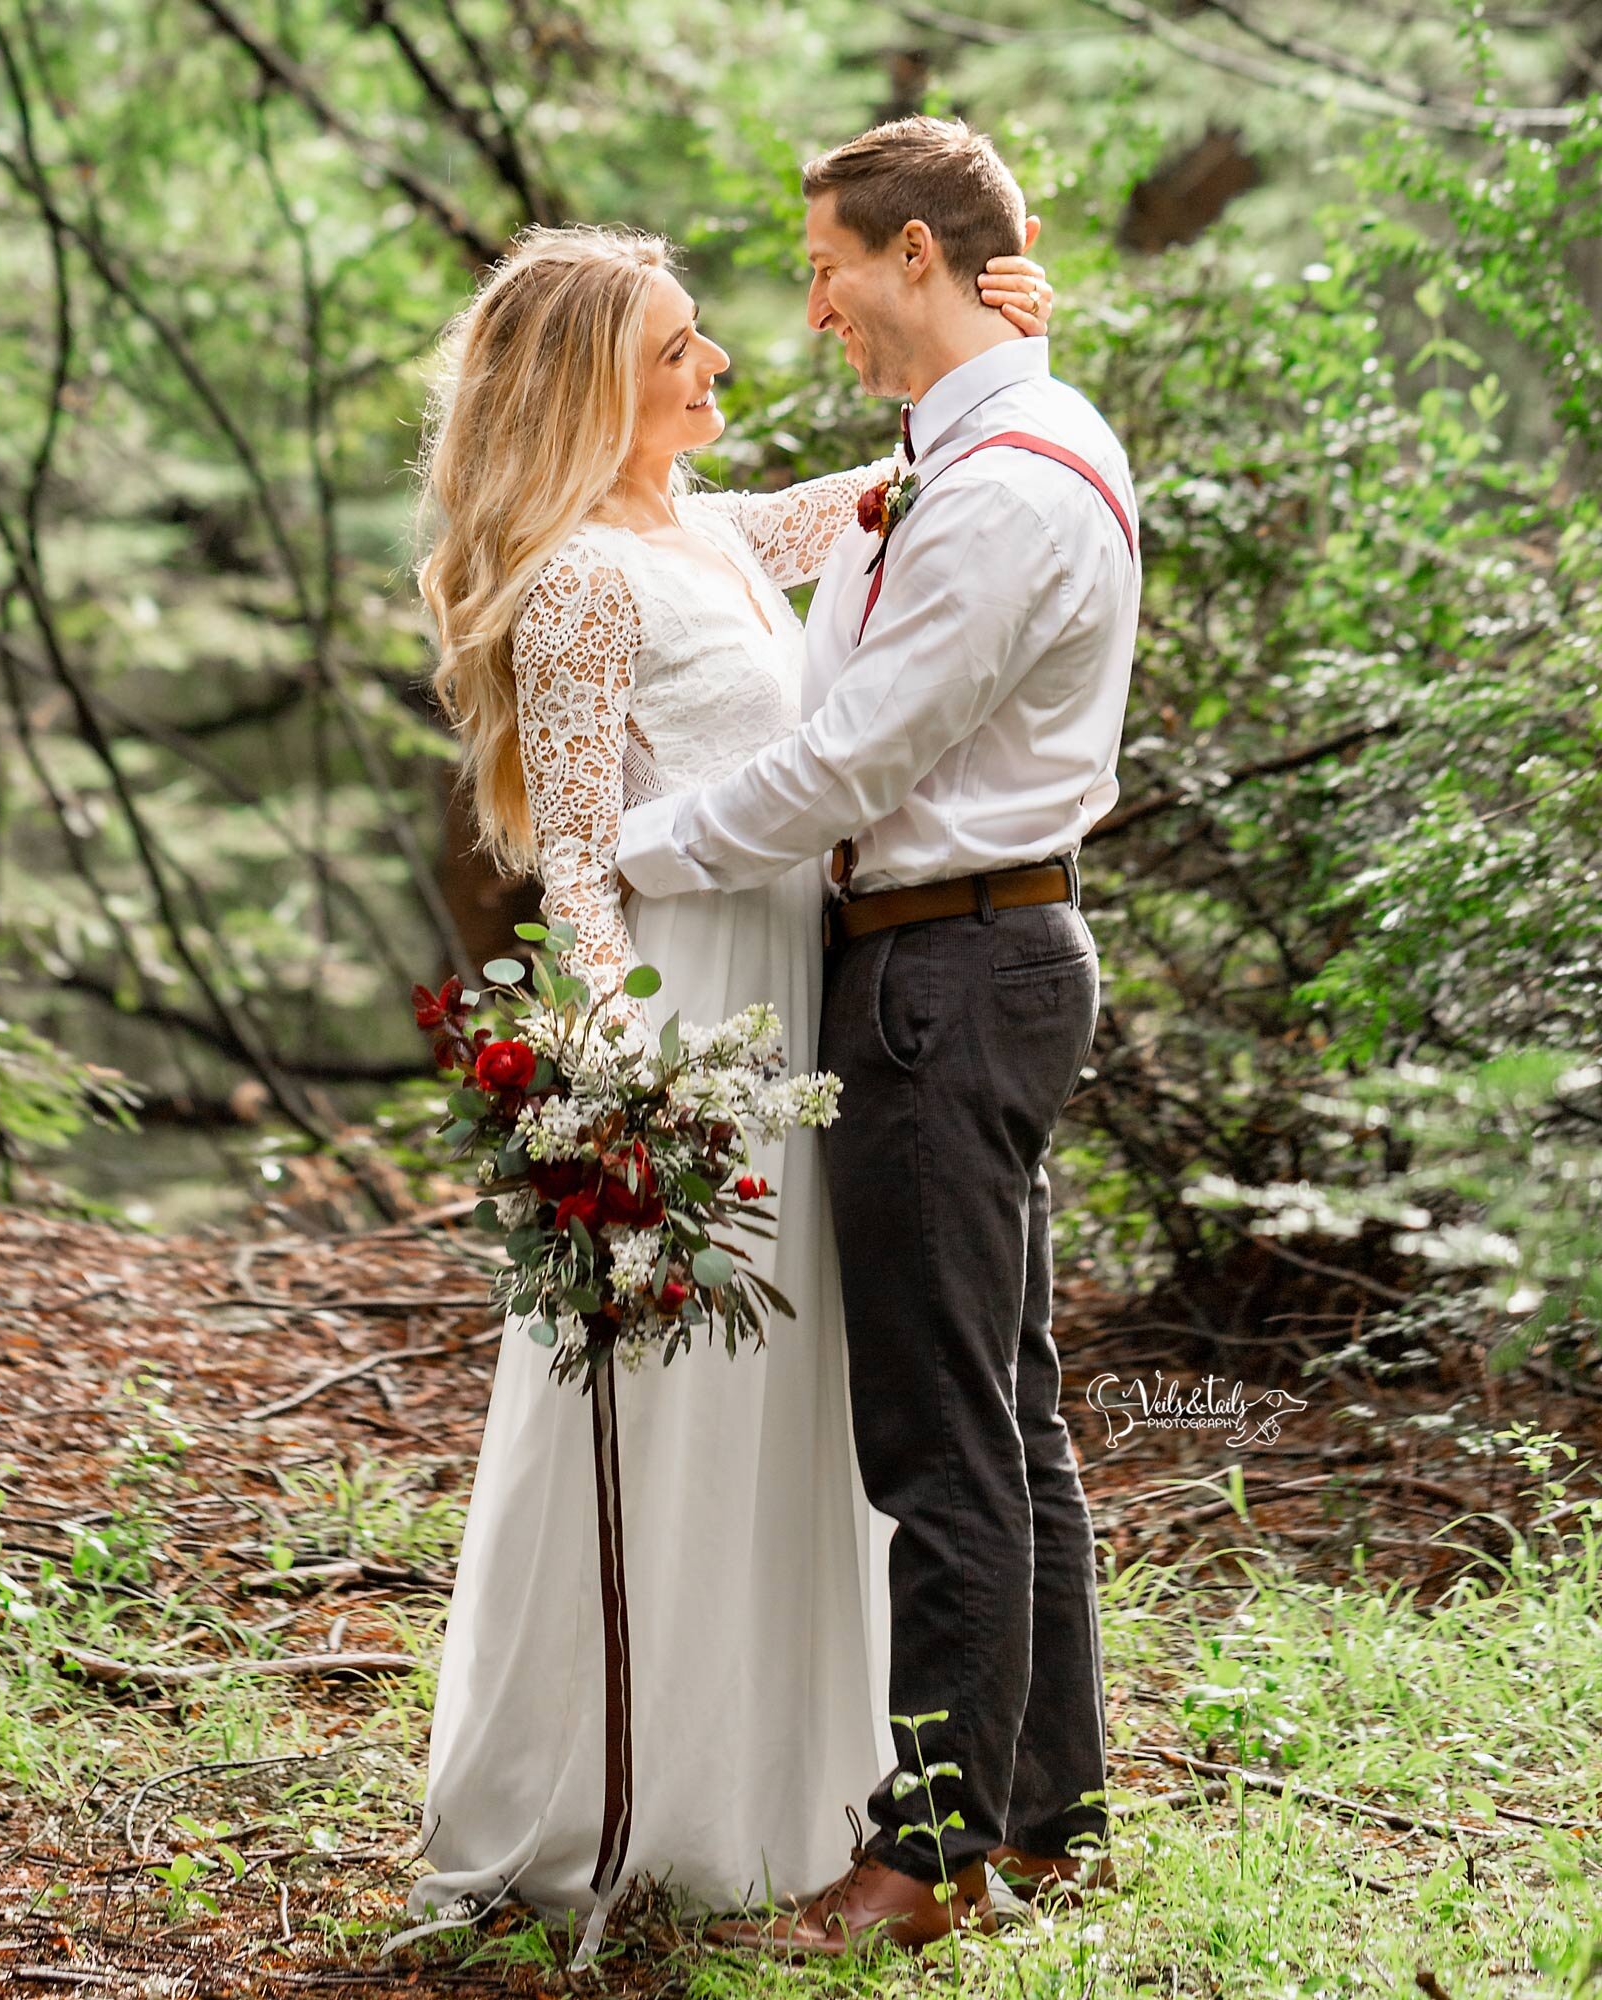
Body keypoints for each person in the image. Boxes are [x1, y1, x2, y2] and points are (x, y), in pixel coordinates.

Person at [402, 205, 1055, 1939]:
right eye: (680, 345)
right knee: (685, 1403)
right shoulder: (577, 588)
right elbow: (583, 870)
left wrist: (1006, 345)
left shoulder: (695, 528)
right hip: (697, 1022)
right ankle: (633, 1798)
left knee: (798, 1407)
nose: (719, 364)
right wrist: (625, 1074)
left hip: (799, 990)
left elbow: (892, 490)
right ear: (595, 383)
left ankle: (786, 1790)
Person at [616, 115, 1139, 1954]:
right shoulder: (977, 440)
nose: (810, 301)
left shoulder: (1004, 486)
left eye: (829, 262)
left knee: (941, 1441)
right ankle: (1044, 1817)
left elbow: (853, 759)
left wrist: (642, 849)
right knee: (1011, 1413)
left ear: (913, 257)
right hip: (958, 961)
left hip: (947, 976)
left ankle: (921, 1861)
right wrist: (1020, 343)